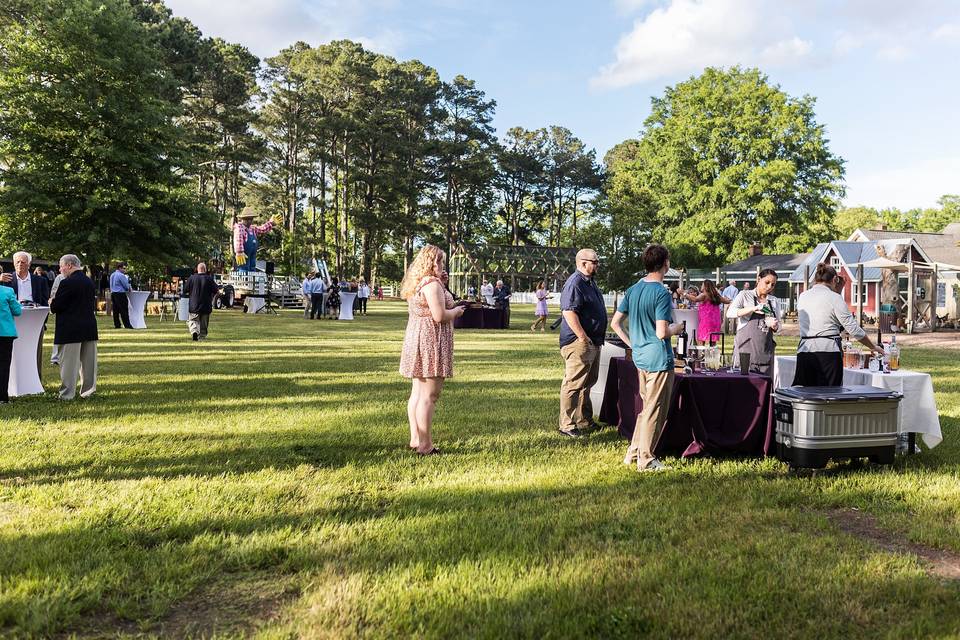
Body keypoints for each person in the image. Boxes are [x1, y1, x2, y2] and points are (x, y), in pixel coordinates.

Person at [610, 244, 684, 471]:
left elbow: (615, 323)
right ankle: (647, 458)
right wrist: (677, 328)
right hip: (658, 359)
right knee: (654, 409)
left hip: (640, 357)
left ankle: (633, 453)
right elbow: (662, 332)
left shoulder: (633, 289)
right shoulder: (661, 292)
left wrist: (633, 343)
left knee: (646, 408)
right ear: (665, 263)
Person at [399, 244, 466, 456]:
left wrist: (443, 284)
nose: (442, 265)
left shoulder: (422, 282)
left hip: (417, 339)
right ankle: (426, 446)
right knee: (430, 395)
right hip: (430, 341)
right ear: (432, 262)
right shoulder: (432, 285)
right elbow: (439, 315)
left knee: (417, 393)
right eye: (440, 262)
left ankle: (416, 439)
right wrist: (456, 311)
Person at [794, 263, 882, 386]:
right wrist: (872, 346)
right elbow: (853, 329)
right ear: (835, 279)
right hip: (828, 351)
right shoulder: (834, 297)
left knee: (806, 392)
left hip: (805, 350)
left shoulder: (803, 296)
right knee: (830, 393)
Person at [557, 248, 608, 438]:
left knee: (587, 383)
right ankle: (567, 424)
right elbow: (569, 312)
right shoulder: (575, 283)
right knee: (573, 383)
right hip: (579, 343)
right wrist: (582, 338)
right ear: (583, 263)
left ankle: (584, 420)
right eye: (594, 262)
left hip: (593, 341)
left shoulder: (590, 282)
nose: (597, 265)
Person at [50, 254, 98, 400]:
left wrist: (52, 302)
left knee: (69, 365)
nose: (60, 269)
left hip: (71, 328)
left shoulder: (67, 283)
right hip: (89, 327)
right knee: (89, 364)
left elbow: (58, 306)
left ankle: (67, 394)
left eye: (61, 266)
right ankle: (88, 392)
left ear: (69, 265)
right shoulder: (89, 282)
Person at [2, 252, 51, 375]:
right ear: (13, 263)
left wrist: (43, 322)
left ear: (29, 264)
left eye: (23, 262)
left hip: (34, 321)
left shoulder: (40, 281)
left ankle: (35, 379)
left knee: (35, 351)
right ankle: (13, 379)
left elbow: (45, 301)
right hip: (11, 321)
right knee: (10, 353)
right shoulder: (6, 279)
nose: (20, 264)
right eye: (17, 262)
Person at [726, 269, 782, 375]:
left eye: (773, 284)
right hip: (745, 353)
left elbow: (779, 327)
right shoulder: (744, 295)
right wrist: (752, 309)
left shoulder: (774, 301)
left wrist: (775, 326)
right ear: (759, 279)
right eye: (767, 282)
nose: (769, 286)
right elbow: (730, 313)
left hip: (765, 354)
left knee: (764, 388)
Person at [684, 279, 731, 344]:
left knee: (702, 339)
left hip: (706, 320)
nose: (701, 286)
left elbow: (695, 299)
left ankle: (702, 353)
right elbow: (726, 301)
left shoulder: (704, 295)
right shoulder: (716, 295)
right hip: (715, 320)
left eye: (702, 284)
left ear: (706, 286)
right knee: (713, 339)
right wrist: (730, 300)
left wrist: (684, 294)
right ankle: (712, 353)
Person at [233, 208, 278, 272]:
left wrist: (271, 223)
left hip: (252, 253)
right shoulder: (240, 227)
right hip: (243, 254)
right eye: (247, 219)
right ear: (243, 219)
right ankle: (243, 280)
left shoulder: (252, 228)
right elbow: (238, 238)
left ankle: (252, 278)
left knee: (252, 266)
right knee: (244, 267)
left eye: (251, 219)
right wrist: (239, 251)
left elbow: (262, 229)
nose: (249, 221)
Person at [0, 283, 23, 403]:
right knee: (3, 365)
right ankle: (2, 397)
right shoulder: (8, 291)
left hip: (5, 333)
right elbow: (17, 311)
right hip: (5, 332)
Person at [184, 263, 219, 341]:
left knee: (193, 320)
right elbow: (216, 290)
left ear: (197, 269)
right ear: (205, 269)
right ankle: (202, 336)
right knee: (204, 323)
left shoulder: (191, 278)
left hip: (194, 305)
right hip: (206, 305)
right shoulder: (209, 279)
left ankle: (194, 332)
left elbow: (185, 290)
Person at [109, 261, 133, 329]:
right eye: (124, 268)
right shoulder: (121, 275)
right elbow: (126, 286)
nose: (125, 270)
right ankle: (127, 325)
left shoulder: (112, 275)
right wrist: (129, 287)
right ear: (120, 268)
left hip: (113, 294)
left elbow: (111, 285)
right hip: (120, 294)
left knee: (115, 311)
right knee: (124, 310)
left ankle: (117, 325)